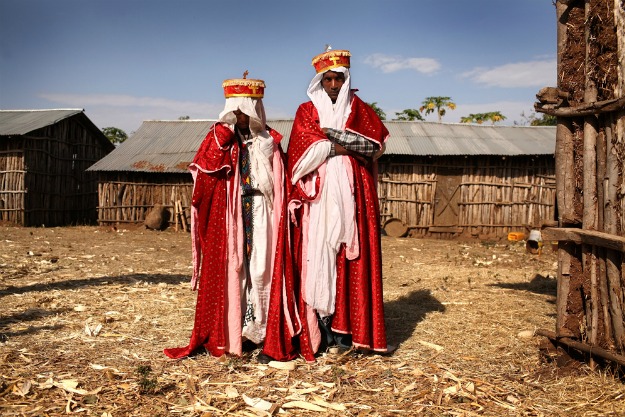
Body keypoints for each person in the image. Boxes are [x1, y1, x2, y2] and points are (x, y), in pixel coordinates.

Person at [262, 48, 391, 363]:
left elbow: (376, 147)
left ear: (346, 79)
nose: (333, 84)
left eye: (338, 78)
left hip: (353, 195)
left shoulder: (359, 109)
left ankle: (345, 330)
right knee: (317, 258)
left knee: (349, 258)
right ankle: (317, 325)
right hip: (316, 199)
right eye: (328, 78)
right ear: (320, 80)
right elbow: (300, 155)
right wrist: (334, 147)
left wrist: (340, 145)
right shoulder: (307, 111)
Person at [164, 73, 287, 359]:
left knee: (262, 269)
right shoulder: (220, 138)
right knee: (236, 271)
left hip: (263, 210)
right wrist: (222, 139)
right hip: (232, 214)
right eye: (236, 110)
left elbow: (281, 180)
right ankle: (235, 331)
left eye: (246, 109)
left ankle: (263, 330)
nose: (241, 116)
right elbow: (204, 176)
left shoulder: (270, 141)